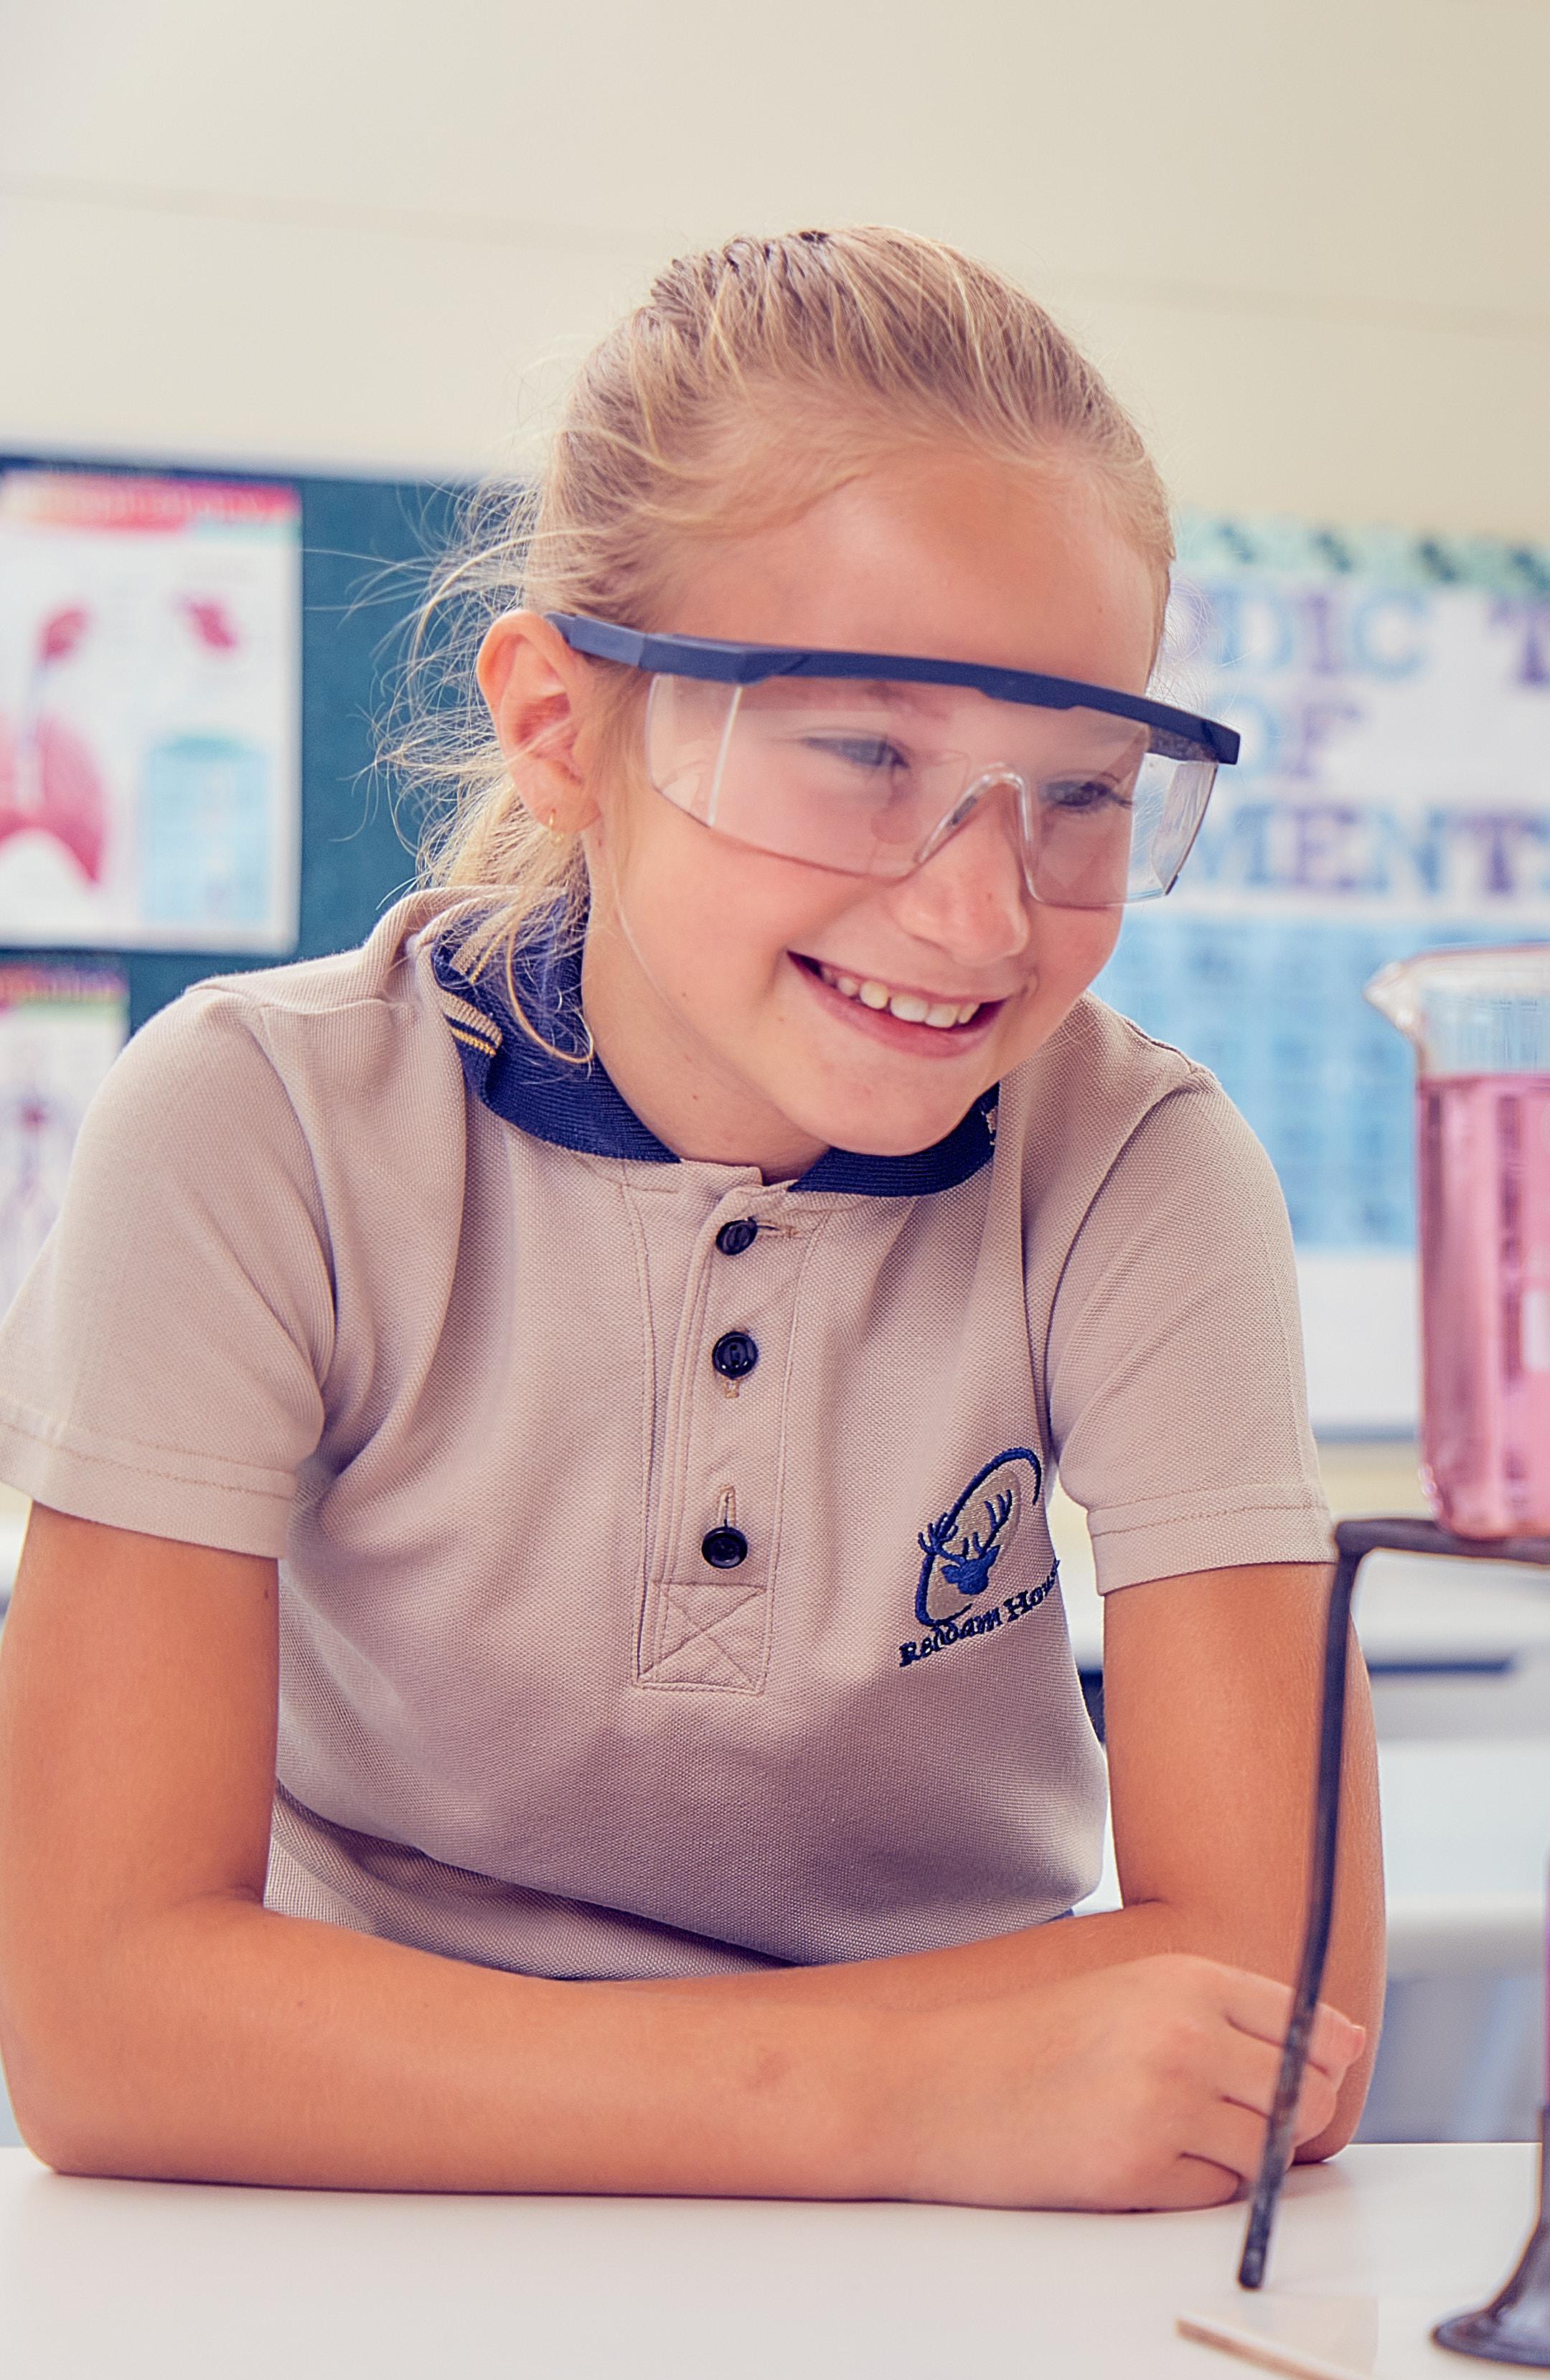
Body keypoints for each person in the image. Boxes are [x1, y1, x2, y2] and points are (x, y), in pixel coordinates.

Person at [0, 229, 1381, 2208]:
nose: (982, 915)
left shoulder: (1135, 1170)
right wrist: (902, 2100)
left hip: (925, 2289)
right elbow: (107, 2022)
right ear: (564, 725)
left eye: (1082, 793)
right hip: (336, 2257)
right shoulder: (255, 1128)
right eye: (864, 755)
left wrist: (380, 2044)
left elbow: (1280, 1991)